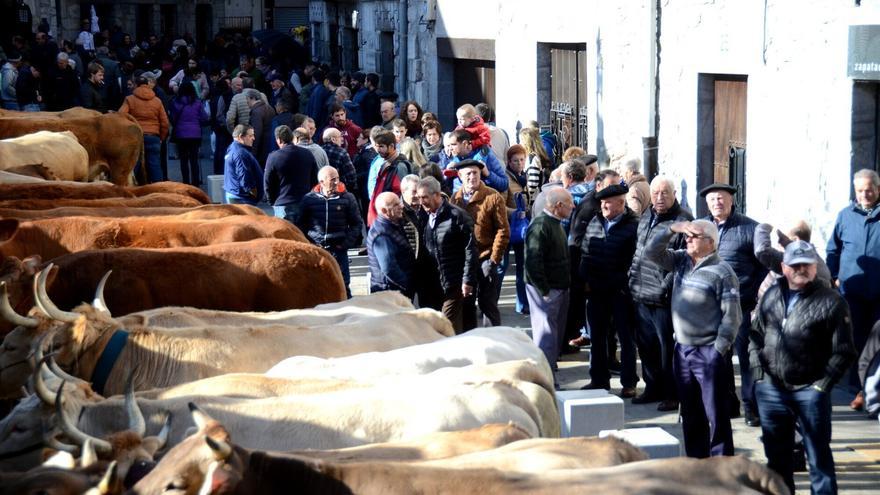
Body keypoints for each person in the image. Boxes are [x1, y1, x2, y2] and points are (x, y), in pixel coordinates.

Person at [750, 241, 856, 495]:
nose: (801, 269)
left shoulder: (832, 301)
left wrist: (821, 387)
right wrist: (759, 374)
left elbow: (844, 351)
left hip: (810, 390)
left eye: (806, 264)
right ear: (784, 267)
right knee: (777, 461)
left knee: (819, 459)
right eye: (795, 264)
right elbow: (755, 336)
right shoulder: (771, 295)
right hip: (772, 390)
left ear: (815, 267)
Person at [645, 218, 740, 458]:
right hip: (682, 349)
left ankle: (721, 463)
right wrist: (671, 229)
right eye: (686, 236)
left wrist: (718, 350)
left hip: (708, 350)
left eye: (693, 236)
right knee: (690, 411)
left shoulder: (722, 272)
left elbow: (732, 316)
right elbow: (651, 252)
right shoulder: (681, 261)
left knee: (715, 413)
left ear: (711, 243)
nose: (687, 239)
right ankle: (697, 461)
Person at [700, 182, 768, 427]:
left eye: (721, 198)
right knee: (720, 358)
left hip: (742, 307)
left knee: (748, 359)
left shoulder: (750, 228)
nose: (717, 203)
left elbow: (763, 267)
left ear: (731, 201)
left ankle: (752, 408)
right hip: (712, 309)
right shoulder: (701, 229)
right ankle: (728, 405)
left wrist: (756, 296)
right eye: (712, 199)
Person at [628, 176, 694, 411]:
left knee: (667, 349)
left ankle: (671, 393)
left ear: (674, 194)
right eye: (655, 193)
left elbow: (685, 260)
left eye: (665, 192)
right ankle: (652, 388)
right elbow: (639, 250)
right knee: (646, 347)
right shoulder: (646, 215)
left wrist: (666, 286)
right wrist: (631, 276)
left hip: (663, 297)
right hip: (640, 291)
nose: (659, 197)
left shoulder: (683, 220)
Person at [579, 184, 641, 397]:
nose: (603, 206)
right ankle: (598, 380)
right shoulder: (596, 221)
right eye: (602, 203)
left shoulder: (634, 226)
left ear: (621, 203)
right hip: (597, 290)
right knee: (597, 337)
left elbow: (637, 260)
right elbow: (586, 251)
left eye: (607, 203)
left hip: (621, 292)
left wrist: (625, 284)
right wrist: (586, 279)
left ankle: (629, 382)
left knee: (626, 337)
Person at [826, 168, 880, 402]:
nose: (864, 195)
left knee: (877, 342)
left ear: (878, 189)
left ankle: (873, 389)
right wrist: (834, 276)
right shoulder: (845, 215)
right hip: (852, 291)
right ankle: (858, 388)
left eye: (869, 190)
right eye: (860, 191)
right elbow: (833, 249)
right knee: (854, 339)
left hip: (879, 292)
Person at [450, 159, 510, 328]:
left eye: (475, 173)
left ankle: (493, 338)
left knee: (488, 304)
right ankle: (470, 338)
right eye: (468, 173)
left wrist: (494, 259)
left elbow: (503, 231)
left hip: (486, 257)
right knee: (466, 304)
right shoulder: (455, 199)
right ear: (460, 176)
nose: (472, 177)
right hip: (464, 260)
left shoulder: (493, 197)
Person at [417, 176, 479, 333]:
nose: (421, 202)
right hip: (436, 284)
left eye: (425, 197)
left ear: (437, 195)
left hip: (454, 283)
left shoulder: (457, 216)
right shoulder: (425, 216)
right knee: (451, 328)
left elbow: (470, 250)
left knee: (443, 326)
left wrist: (467, 280)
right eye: (419, 198)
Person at [525, 187, 574, 379]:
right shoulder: (541, 226)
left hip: (558, 288)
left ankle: (549, 370)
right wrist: (544, 290)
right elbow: (532, 261)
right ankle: (545, 377)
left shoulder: (555, 223)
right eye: (569, 203)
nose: (573, 206)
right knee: (546, 337)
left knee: (554, 335)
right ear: (558, 206)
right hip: (548, 290)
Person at [297, 165, 364, 299]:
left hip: (338, 250)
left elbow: (357, 223)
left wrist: (345, 244)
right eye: (332, 179)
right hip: (317, 250)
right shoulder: (309, 199)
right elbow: (301, 224)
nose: (336, 182)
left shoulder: (348, 198)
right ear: (322, 182)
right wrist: (309, 244)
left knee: (343, 285)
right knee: (317, 286)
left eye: (337, 178)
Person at [400, 174, 444, 309]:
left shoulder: (427, 207)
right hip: (408, 269)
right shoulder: (397, 211)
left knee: (430, 307)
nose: (418, 196)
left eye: (419, 192)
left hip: (428, 268)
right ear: (403, 191)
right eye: (414, 191)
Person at [119, 74, 170, 183]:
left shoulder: (130, 99)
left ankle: (133, 188)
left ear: (136, 85)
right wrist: (161, 138)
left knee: (134, 165)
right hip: (153, 137)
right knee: (155, 165)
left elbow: (121, 116)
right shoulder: (157, 101)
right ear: (148, 85)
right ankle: (158, 188)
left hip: (136, 137)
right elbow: (165, 123)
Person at [264, 124, 319, 224]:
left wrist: (272, 202)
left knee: (285, 233)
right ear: (292, 138)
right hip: (304, 202)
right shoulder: (307, 154)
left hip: (283, 204)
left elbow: (268, 183)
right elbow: (315, 179)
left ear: (279, 140)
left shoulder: (273, 157)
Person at [367, 191, 416, 298]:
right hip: (391, 292)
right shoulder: (382, 234)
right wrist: (407, 284)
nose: (401, 206)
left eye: (399, 202)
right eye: (396, 205)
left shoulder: (392, 224)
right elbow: (388, 268)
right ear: (384, 211)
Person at [501, 144, 531, 314]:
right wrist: (515, 212)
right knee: (502, 266)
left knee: (522, 266)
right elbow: (500, 205)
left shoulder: (523, 177)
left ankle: (522, 303)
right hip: (508, 227)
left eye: (522, 160)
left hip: (522, 228)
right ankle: (490, 302)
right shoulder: (506, 179)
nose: (519, 163)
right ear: (509, 162)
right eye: (515, 161)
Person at [367, 129, 412, 226]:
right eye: (377, 146)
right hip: (379, 219)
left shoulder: (400, 167)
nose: (378, 150)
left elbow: (404, 197)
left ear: (391, 146)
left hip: (390, 221)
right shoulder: (386, 163)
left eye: (381, 146)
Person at [169, 81, 209, 186]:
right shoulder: (197, 102)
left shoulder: (175, 102)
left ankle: (186, 182)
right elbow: (204, 118)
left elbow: (172, 118)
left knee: (183, 160)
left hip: (181, 134)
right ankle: (195, 182)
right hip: (195, 134)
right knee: (194, 159)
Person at [447, 129, 508, 194]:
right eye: (449, 145)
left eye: (453, 144)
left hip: (484, 198)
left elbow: (504, 184)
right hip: (460, 199)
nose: (450, 148)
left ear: (465, 144)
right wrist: (447, 175)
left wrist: (488, 174)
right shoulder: (452, 159)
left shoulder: (485, 155)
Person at [223, 125, 263, 205]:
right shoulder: (240, 153)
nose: (253, 138)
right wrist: (254, 193)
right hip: (242, 198)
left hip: (237, 194)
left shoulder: (232, 148)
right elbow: (245, 178)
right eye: (250, 136)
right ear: (241, 137)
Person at [321, 127, 357, 192]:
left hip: (322, 187)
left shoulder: (320, 151)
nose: (342, 139)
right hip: (339, 189)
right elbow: (351, 175)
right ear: (333, 139)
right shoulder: (341, 152)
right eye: (340, 136)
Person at [519, 127, 551, 200]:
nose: (519, 143)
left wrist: (526, 196)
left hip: (533, 199)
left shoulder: (532, 159)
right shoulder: (536, 156)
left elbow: (533, 182)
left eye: (521, 140)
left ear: (526, 142)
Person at [246, 88, 276, 166]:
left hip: (261, 149)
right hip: (270, 146)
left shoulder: (256, 112)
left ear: (252, 98)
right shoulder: (270, 108)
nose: (246, 101)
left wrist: (253, 152)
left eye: (247, 99)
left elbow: (256, 133)